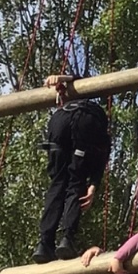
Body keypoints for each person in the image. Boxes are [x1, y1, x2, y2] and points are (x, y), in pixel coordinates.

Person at [34, 72, 111, 263]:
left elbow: (74, 79)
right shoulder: (95, 115)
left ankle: (44, 243)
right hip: (86, 124)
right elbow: (103, 153)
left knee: (57, 182)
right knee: (76, 181)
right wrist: (93, 184)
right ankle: (67, 238)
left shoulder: (64, 106)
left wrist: (61, 79)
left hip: (58, 123)